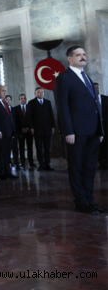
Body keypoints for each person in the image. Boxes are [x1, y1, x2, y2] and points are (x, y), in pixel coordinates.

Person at [55, 46, 105, 214]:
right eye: (79, 55)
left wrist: (101, 130)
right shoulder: (64, 78)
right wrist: (68, 131)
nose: (83, 57)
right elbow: (63, 107)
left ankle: (90, 200)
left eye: (84, 54)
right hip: (76, 132)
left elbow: (96, 104)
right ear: (70, 58)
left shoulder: (87, 77)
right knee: (76, 166)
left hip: (93, 131)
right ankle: (81, 202)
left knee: (90, 167)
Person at [28, 87, 56, 171]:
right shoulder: (31, 103)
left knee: (47, 148)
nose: (40, 93)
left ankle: (47, 164)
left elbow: (51, 115)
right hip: (37, 129)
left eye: (42, 92)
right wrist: (31, 127)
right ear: (35, 94)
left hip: (47, 129)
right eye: (38, 92)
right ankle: (41, 164)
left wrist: (53, 126)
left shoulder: (48, 102)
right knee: (39, 148)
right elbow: (29, 116)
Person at [0, 85, 16, 179]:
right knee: (1, 154)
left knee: (7, 154)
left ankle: (8, 172)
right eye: (2, 91)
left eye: (5, 91)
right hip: (1, 133)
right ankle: (1, 173)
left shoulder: (5, 102)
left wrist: (13, 132)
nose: (4, 92)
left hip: (9, 132)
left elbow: (9, 118)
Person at [14, 94, 35, 169]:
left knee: (30, 147)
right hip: (20, 132)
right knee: (21, 147)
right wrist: (20, 129)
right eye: (21, 98)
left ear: (26, 99)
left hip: (29, 130)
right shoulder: (15, 109)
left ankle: (31, 162)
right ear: (19, 100)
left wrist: (30, 127)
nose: (23, 100)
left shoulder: (30, 108)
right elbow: (15, 121)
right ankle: (22, 162)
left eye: (24, 98)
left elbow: (32, 119)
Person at [95, 83, 107, 169]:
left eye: (98, 87)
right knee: (99, 145)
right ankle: (101, 162)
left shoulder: (105, 98)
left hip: (106, 125)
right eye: (95, 88)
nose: (97, 89)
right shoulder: (91, 99)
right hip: (97, 126)